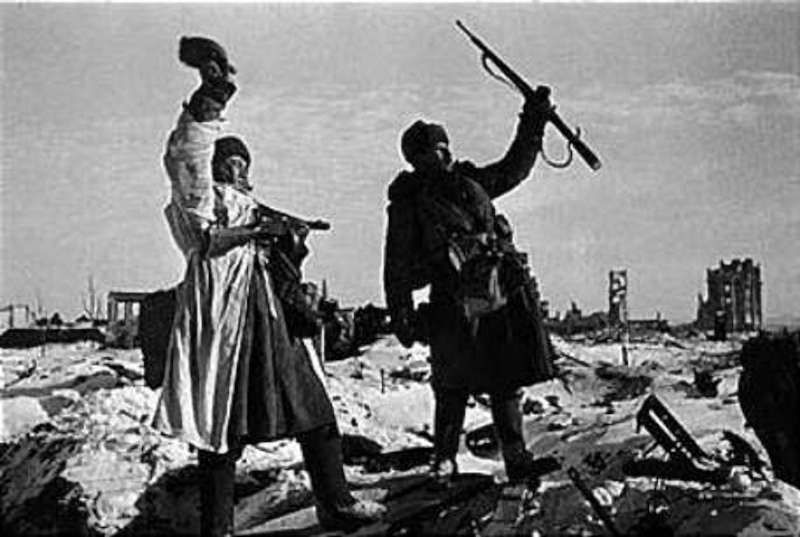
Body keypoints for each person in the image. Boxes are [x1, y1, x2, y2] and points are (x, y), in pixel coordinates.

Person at [153, 37, 384, 537]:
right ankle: (217, 529)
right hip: (229, 326)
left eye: (241, 164)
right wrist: (211, 97)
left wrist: (290, 240)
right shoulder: (200, 201)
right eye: (226, 162)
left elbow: (284, 264)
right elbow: (185, 155)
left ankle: (337, 503)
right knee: (221, 430)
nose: (235, 169)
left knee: (314, 406)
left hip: (275, 322)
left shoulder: (254, 207)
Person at [382, 88, 557, 483]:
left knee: (505, 380)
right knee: (451, 385)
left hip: (497, 292)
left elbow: (513, 169)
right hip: (451, 300)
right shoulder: (409, 202)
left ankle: (516, 457)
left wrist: (533, 120)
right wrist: (401, 315)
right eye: (431, 151)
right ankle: (444, 460)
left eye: (443, 147)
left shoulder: (470, 182)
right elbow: (396, 266)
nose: (440, 156)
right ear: (415, 159)